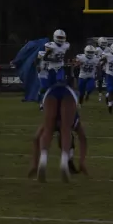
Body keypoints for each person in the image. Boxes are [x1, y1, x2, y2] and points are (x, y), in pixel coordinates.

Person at [36, 30, 76, 182]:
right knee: (66, 128)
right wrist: (49, 58)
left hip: (58, 72)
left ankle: (43, 158)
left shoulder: (65, 46)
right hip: (52, 73)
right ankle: (66, 159)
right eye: (58, 37)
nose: (60, 39)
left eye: (61, 37)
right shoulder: (49, 47)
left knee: (48, 128)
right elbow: (44, 60)